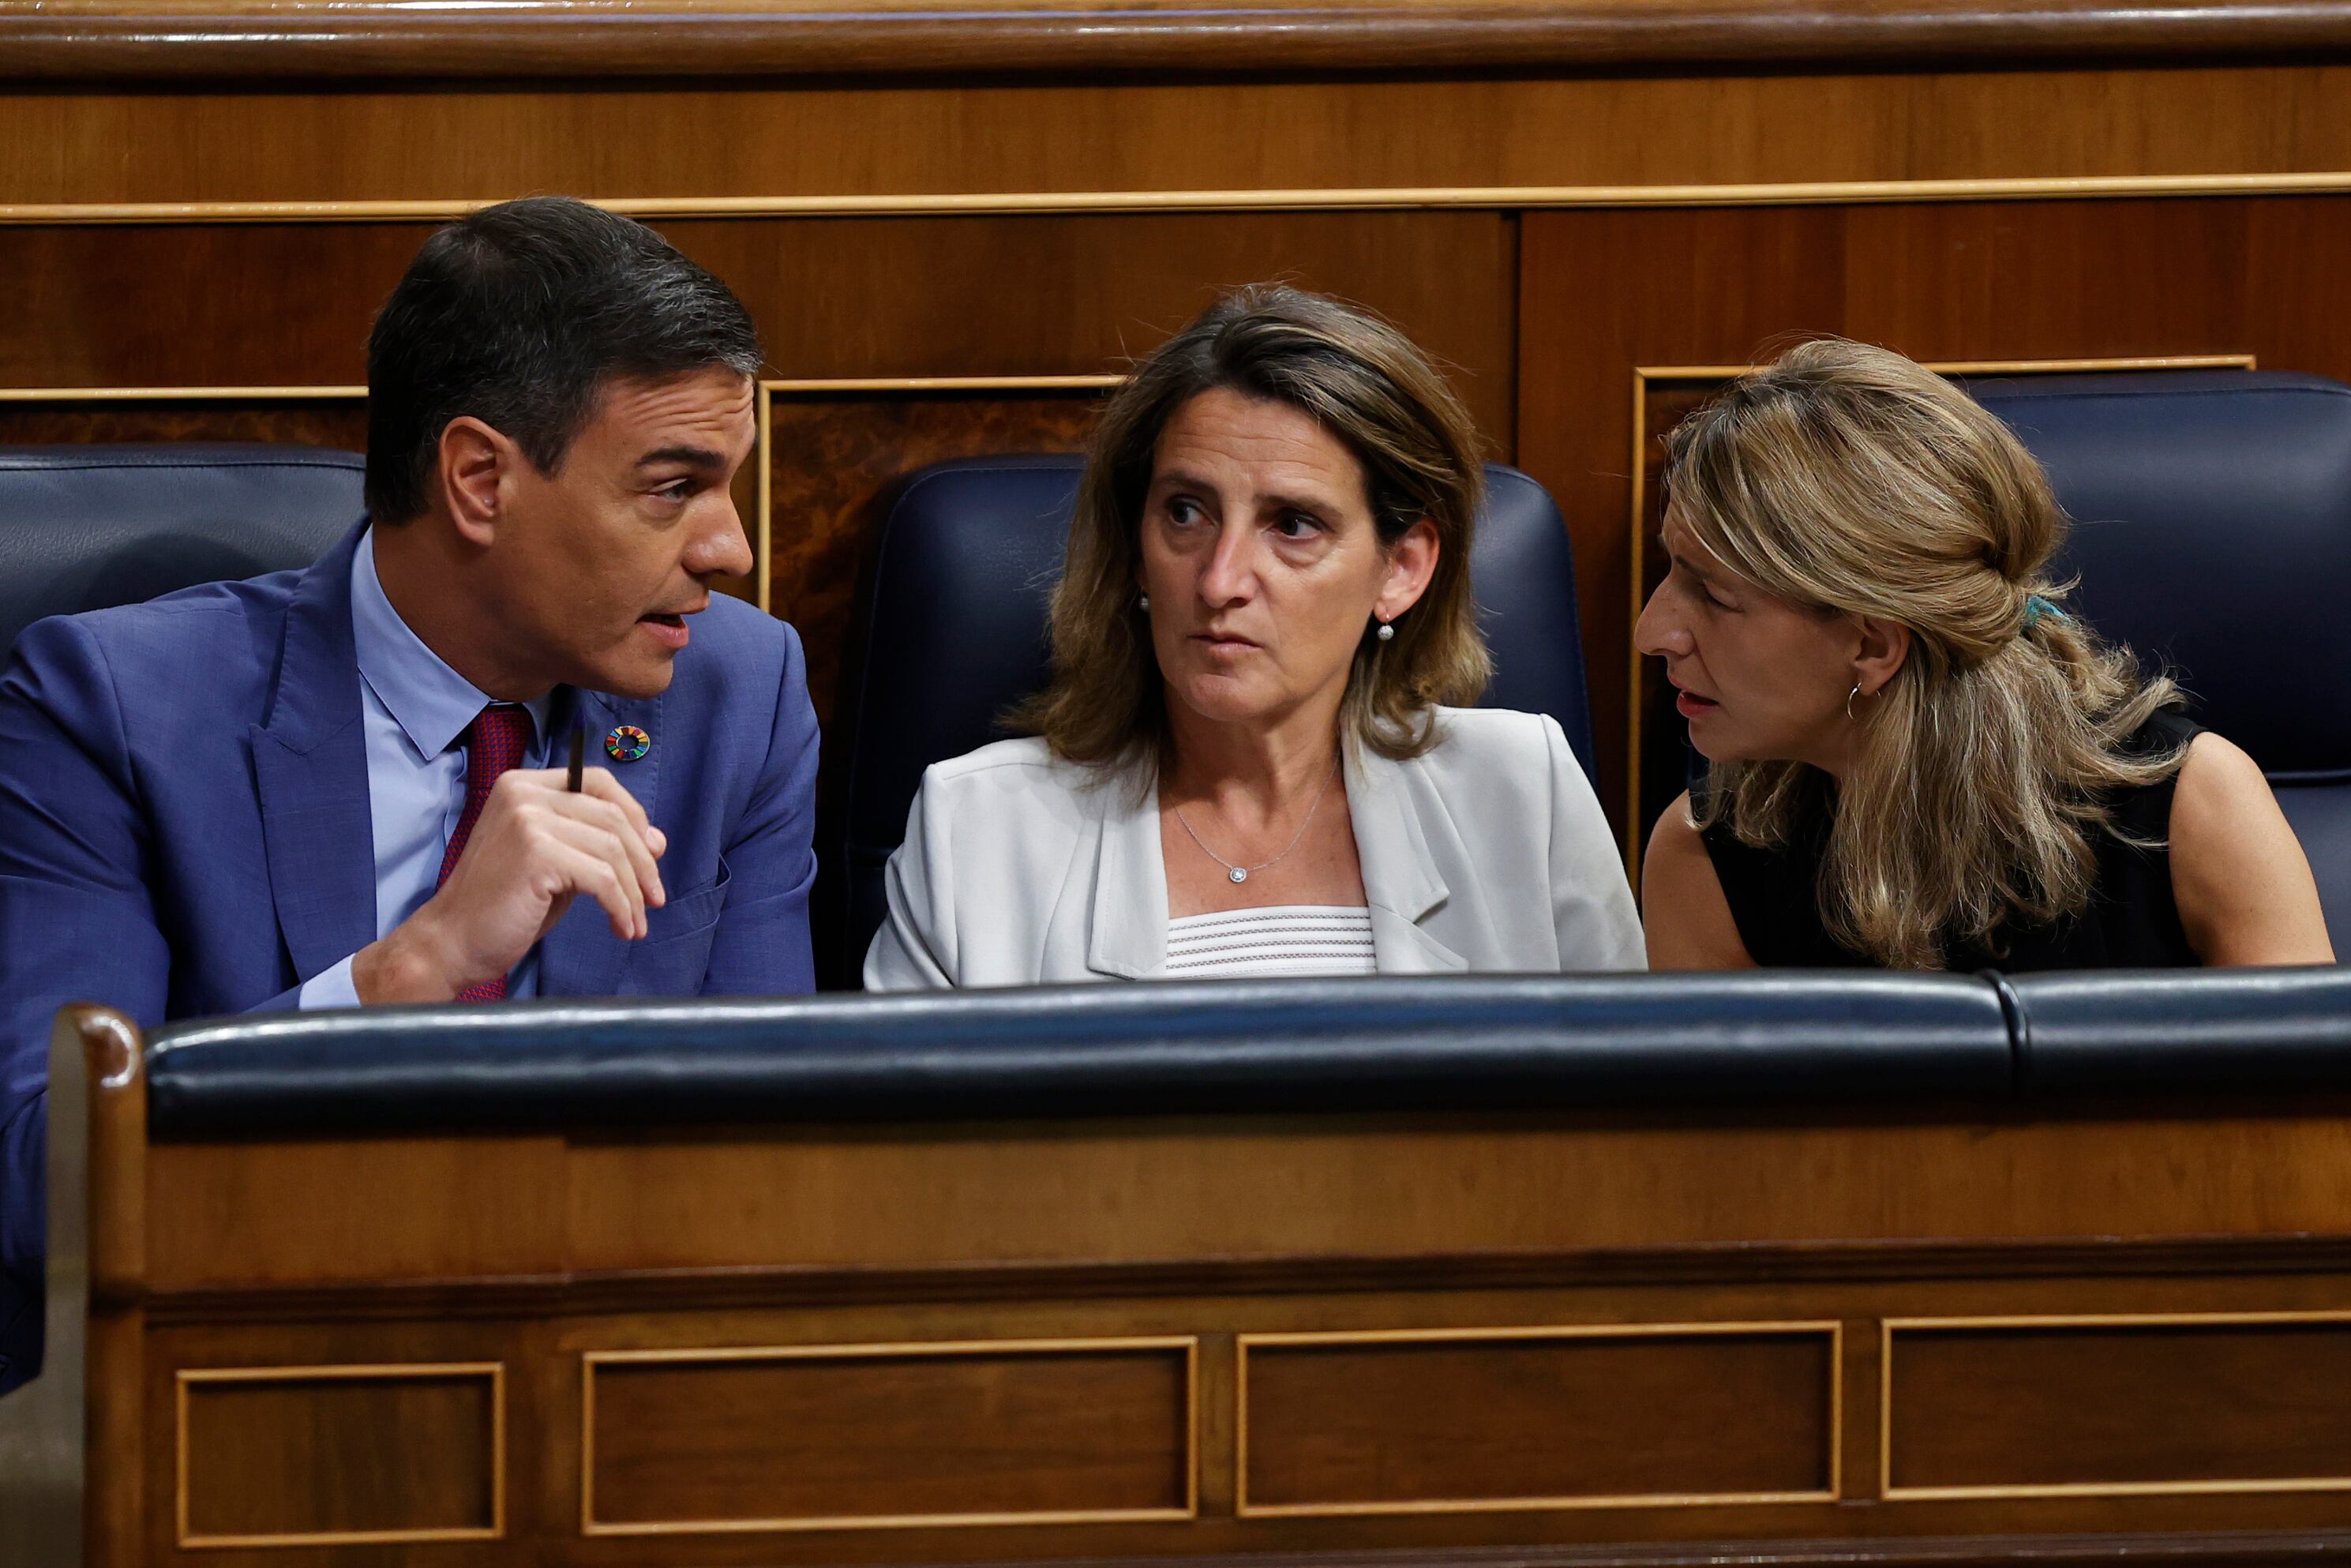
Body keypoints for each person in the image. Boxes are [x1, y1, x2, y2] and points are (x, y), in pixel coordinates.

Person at [0, 196, 822, 1393]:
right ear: (480, 479)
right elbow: (37, 1185)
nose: (729, 549)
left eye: (728, 485)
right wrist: (406, 971)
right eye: (671, 486)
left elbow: (770, 1154)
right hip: (234, 1396)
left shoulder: (736, 696)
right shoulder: (113, 710)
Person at [865, 286, 1642, 989]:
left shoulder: (1522, 793)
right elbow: (906, 1147)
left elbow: (1623, 1134)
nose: (1218, 580)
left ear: (1400, 569)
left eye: (1293, 524)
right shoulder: (976, 827)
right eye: (1184, 512)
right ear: (1135, 545)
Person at [1636, 337, 2332, 971]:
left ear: (1874, 646)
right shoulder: (1702, 857)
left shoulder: (2192, 807)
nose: (1650, 632)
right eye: (1672, 573)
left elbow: (2309, 1107)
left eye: (1716, 598)